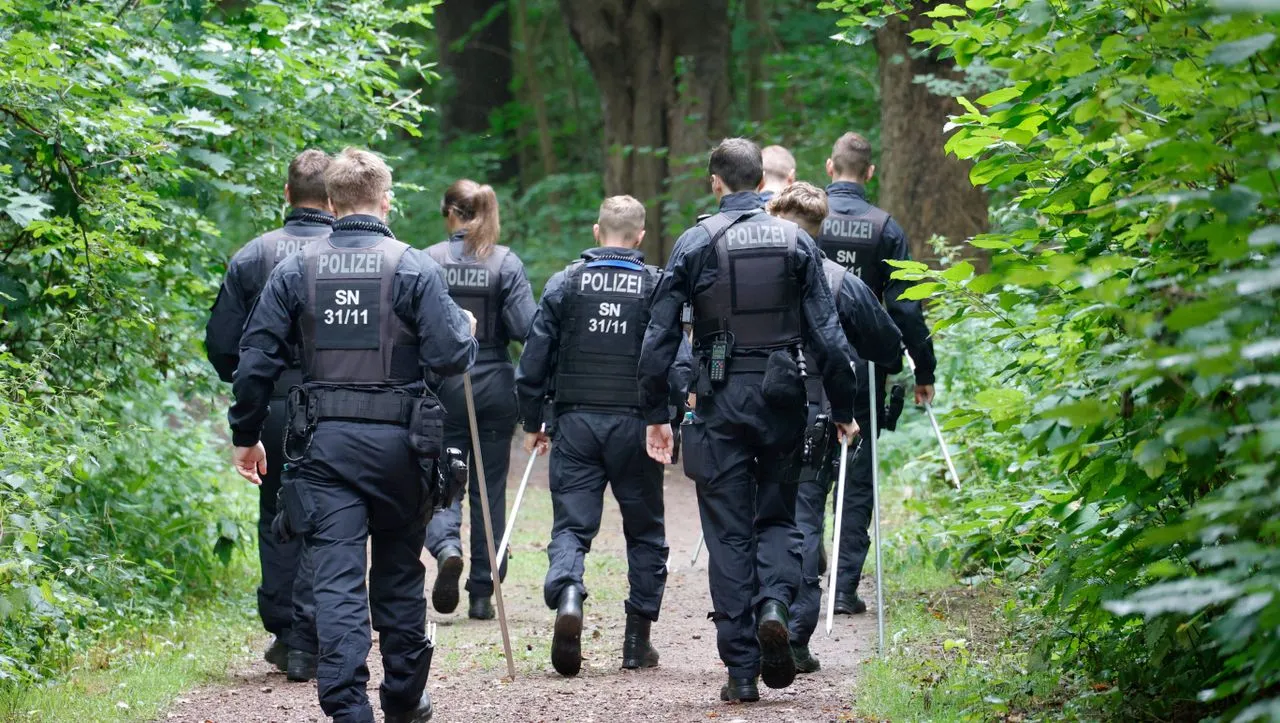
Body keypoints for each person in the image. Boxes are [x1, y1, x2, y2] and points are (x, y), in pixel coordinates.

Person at [229, 148, 478, 723]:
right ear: (385, 201)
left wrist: (246, 433)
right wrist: (464, 330)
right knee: (398, 573)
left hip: (324, 449)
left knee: (337, 582)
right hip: (403, 450)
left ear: (333, 203)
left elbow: (256, 360)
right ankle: (403, 698)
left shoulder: (296, 269)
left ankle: (348, 711)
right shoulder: (414, 267)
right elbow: (447, 357)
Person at [638, 138, 859, 704]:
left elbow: (659, 337)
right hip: (784, 400)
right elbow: (829, 338)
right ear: (762, 182)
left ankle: (740, 671)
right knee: (779, 515)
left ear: (716, 182)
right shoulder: (795, 242)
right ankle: (776, 605)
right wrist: (843, 408)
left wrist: (657, 414)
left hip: (719, 401)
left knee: (728, 533)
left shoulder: (696, 241)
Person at [515, 196, 693, 677]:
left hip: (575, 424)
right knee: (645, 530)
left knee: (572, 526)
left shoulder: (565, 283)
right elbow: (676, 357)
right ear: (640, 236)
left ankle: (569, 593)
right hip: (636, 426)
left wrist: (532, 421)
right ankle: (636, 643)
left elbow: (534, 359)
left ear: (598, 232)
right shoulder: (657, 286)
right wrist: (674, 414)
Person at [205, 149, 332, 681]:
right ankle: (309, 634)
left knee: (277, 515)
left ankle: (286, 631)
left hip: (276, 405)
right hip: (336, 405)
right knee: (332, 518)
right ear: (332, 198)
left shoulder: (252, 256)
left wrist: (251, 409)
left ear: (286, 194)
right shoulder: (352, 254)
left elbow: (222, 345)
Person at [765, 182, 902, 673]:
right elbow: (888, 346)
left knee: (751, 520)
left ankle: (755, 626)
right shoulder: (840, 282)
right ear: (819, 229)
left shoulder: (743, 273)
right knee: (804, 518)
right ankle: (795, 634)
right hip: (818, 412)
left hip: (749, 413)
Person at [818, 132, 938, 615]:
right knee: (857, 477)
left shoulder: (808, 217)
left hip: (808, 364)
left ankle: (806, 577)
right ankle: (843, 589)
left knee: (806, 473)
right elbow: (906, 309)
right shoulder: (886, 227)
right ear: (870, 173)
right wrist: (922, 369)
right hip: (865, 368)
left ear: (830, 167)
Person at [423, 180, 536, 621]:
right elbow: (528, 328)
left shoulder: (428, 261)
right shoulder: (505, 263)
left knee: (441, 480)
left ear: (449, 212)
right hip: (494, 384)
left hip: (443, 386)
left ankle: (447, 546)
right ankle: (482, 592)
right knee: (489, 491)